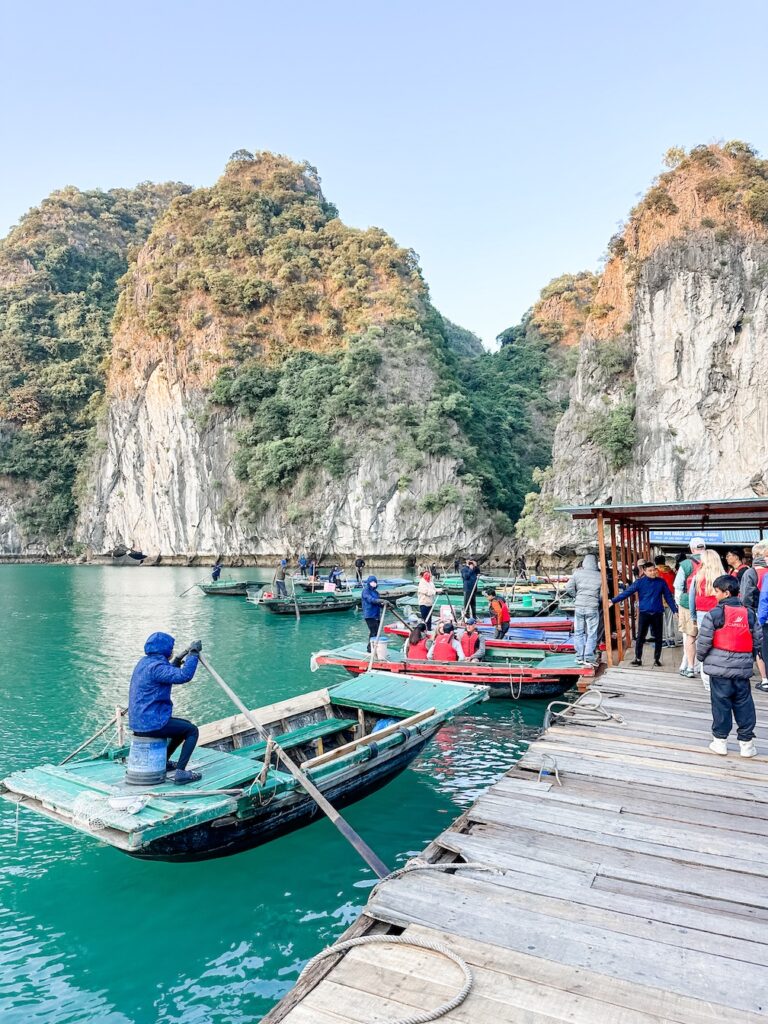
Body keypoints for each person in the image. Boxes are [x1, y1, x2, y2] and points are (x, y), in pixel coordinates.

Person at [697, 575, 760, 758]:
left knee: (721, 704)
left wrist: (702, 658)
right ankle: (747, 744)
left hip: (719, 670)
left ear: (725, 593)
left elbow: (703, 642)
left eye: (716, 591)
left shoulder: (714, 614)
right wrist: (751, 657)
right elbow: (757, 639)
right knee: (744, 704)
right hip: (742, 670)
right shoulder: (749, 613)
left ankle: (720, 742)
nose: (714, 594)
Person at [128, 633, 203, 785]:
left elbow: (168, 674)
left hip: (139, 722)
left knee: (183, 726)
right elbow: (184, 676)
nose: (173, 650)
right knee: (192, 730)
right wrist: (193, 654)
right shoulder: (157, 667)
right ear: (165, 649)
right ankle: (181, 773)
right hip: (151, 723)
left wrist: (177, 659)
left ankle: (163, 762)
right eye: (172, 648)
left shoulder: (144, 663)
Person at [611, 562, 677, 667]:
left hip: (657, 613)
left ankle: (657, 659)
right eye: (650, 571)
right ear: (644, 572)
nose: (653, 572)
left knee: (658, 637)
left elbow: (668, 597)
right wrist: (613, 601)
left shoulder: (661, 582)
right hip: (644, 613)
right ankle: (638, 658)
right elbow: (627, 592)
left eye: (654, 570)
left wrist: (675, 610)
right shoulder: (640, 582)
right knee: (640, 637)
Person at [674, 538, 706, 679]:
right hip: (709, 604)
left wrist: (679, 603)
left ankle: (688, 666)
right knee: (706, 637)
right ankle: (703, 668)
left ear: (692, 549)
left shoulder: (686, 564)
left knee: (689, 636)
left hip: (688, 604)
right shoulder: (713, 561)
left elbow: (678, 586)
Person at [562, 554, 602, 665]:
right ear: (595, 562)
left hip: (579, 606)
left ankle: (579, 656)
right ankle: (589, 657)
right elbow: (604, 595)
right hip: (592, 607)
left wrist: (576, 596)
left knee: (578, 632)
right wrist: (596, 600)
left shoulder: (577, 573)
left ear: (584, 562)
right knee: (592, 633)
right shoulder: (600, 576)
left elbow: (568, 587)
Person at [691, 550, 727, 634]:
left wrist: (693, 616)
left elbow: (691, 598)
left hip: (701, 612)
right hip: (721, 611)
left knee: (703, 640)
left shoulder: (697, 577)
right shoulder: (724, 576)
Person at [654, 555, 677, 648]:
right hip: (669, 597)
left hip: (658, 597)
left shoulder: (655, 572)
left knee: (659, 620)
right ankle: (671, 640)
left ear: (655, 563)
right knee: (669, 619)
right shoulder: (671, 572)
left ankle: (663, 640)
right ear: (664, 562)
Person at [361, 575, 386, 651]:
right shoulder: (366, 591)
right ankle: (371, 649)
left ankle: (371, 647)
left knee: (376, 632)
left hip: (376, 615)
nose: (373, 583)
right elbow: (370, 599)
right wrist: (380, 600)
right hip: (369, 615)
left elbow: (378, 603)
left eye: (375, 582)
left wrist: (384, 605)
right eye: (372, 582)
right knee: (374, 632)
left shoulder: (376, 592)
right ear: (369, 582)